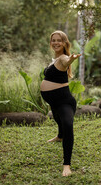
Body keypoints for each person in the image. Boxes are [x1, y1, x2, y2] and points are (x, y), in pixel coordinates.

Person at [40, 30, 81, 177]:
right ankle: (59, 136)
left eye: (59, 40)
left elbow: (66, 61)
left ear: (65, 43)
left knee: (67, 125)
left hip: (64, 101)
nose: (56, 42)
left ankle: (67, 165)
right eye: (53, 40)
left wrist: (71, 60)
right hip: (54, 101)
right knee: (57, 119)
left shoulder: (63, 58)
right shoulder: (54, 59)